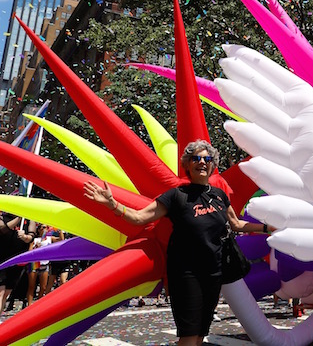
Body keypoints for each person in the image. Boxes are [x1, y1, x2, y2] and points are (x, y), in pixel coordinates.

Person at [84, 139, 267, 346]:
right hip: (186, 274)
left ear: (212, 165)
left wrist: (267, 229)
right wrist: (112, 204)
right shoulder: (176, 195)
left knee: (200, 334)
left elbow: (236, 224)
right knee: (189, 334)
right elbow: (139, 218)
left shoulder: (219, 196)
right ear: (187, 164)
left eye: (207, 159)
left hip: (214, 273)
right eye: (196, 158)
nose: (202, 162)